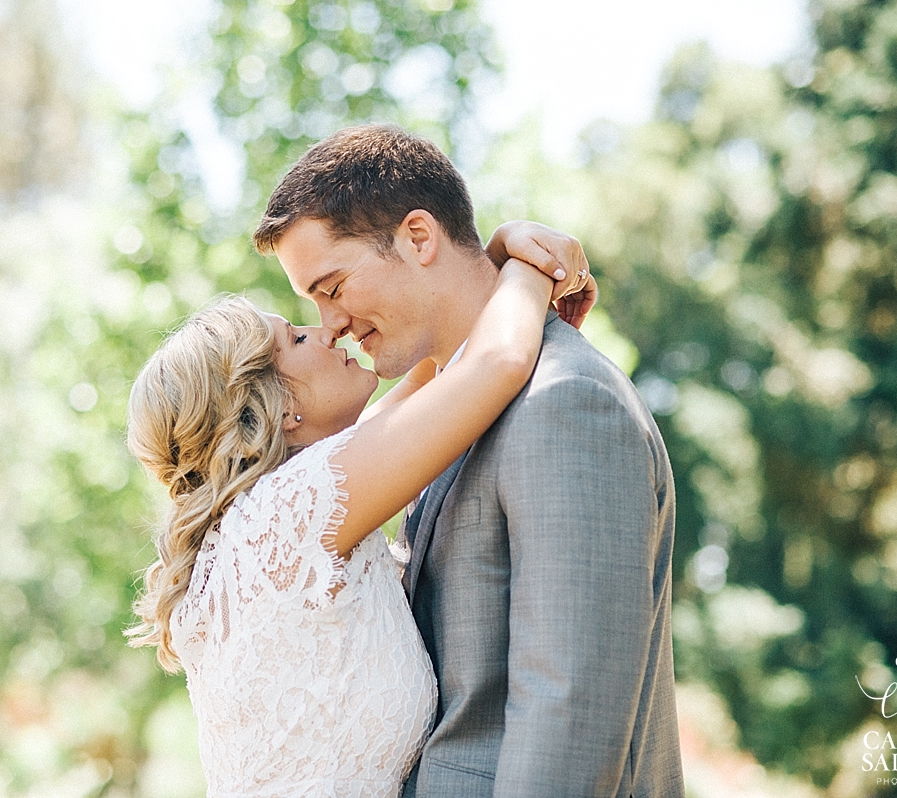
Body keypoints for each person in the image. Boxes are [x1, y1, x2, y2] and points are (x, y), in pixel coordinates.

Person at [254, 124, 685, 797]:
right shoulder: (438, 423)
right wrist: (516, 256)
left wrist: (515, 257)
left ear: (419, 237)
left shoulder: (566, 402)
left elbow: (566, 719)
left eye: (332, 287)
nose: (329, 323)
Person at [125, 240, 589, 792]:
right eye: (295, 339)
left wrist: (484, 259)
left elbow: (442, 368)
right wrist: (536, 264)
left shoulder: (263, 521)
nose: (327, 331)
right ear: (274, 408)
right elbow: (496, 362)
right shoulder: (290, 513)